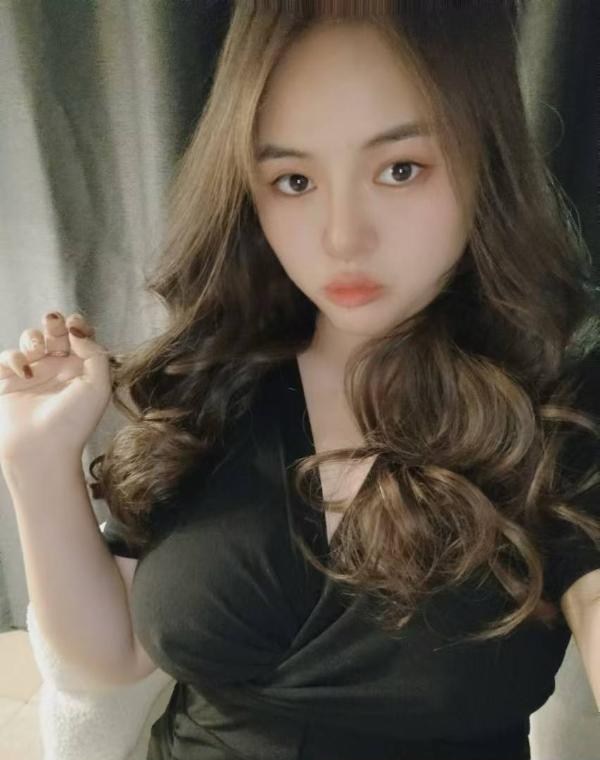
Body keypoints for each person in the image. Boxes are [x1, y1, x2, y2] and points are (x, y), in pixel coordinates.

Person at [1, 3, 599, 759]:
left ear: (486, 159)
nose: (342, 237)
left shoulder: (561, 409)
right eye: (293, 180)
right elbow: (113, 658)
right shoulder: (211, 377)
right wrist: (35, 460)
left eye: (400, 169)